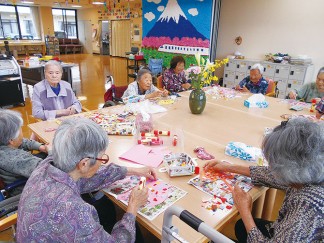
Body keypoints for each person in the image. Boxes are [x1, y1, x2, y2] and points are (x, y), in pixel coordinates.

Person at [17, 117, 157, 242]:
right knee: (133, 229)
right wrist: (133, 207)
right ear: (84, 164)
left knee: (107, 208)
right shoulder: (75, 210)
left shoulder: (48, 164)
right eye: (102, 159)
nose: (102, 162)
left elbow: (85, 178)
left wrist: (131, 170)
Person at [203, 118, 323, 242]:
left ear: (289, 169)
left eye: (274, 164)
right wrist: (228, 167)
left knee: (243, 225)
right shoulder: (312, 168)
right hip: (285, 229)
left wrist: (245, 211)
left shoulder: (307, 207)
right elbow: (272, 175)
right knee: (241, 227)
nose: (271, 167)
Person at [0, 109, 48, 196]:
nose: (22, 131)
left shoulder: (5, 144)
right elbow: (47, 170)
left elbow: (22, 141)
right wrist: (53, 151)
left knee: (45, 155)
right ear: (11, 140)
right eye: (20, 129)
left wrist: (41, 147)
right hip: (27, 190)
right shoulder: (14, 158)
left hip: (25, 172)